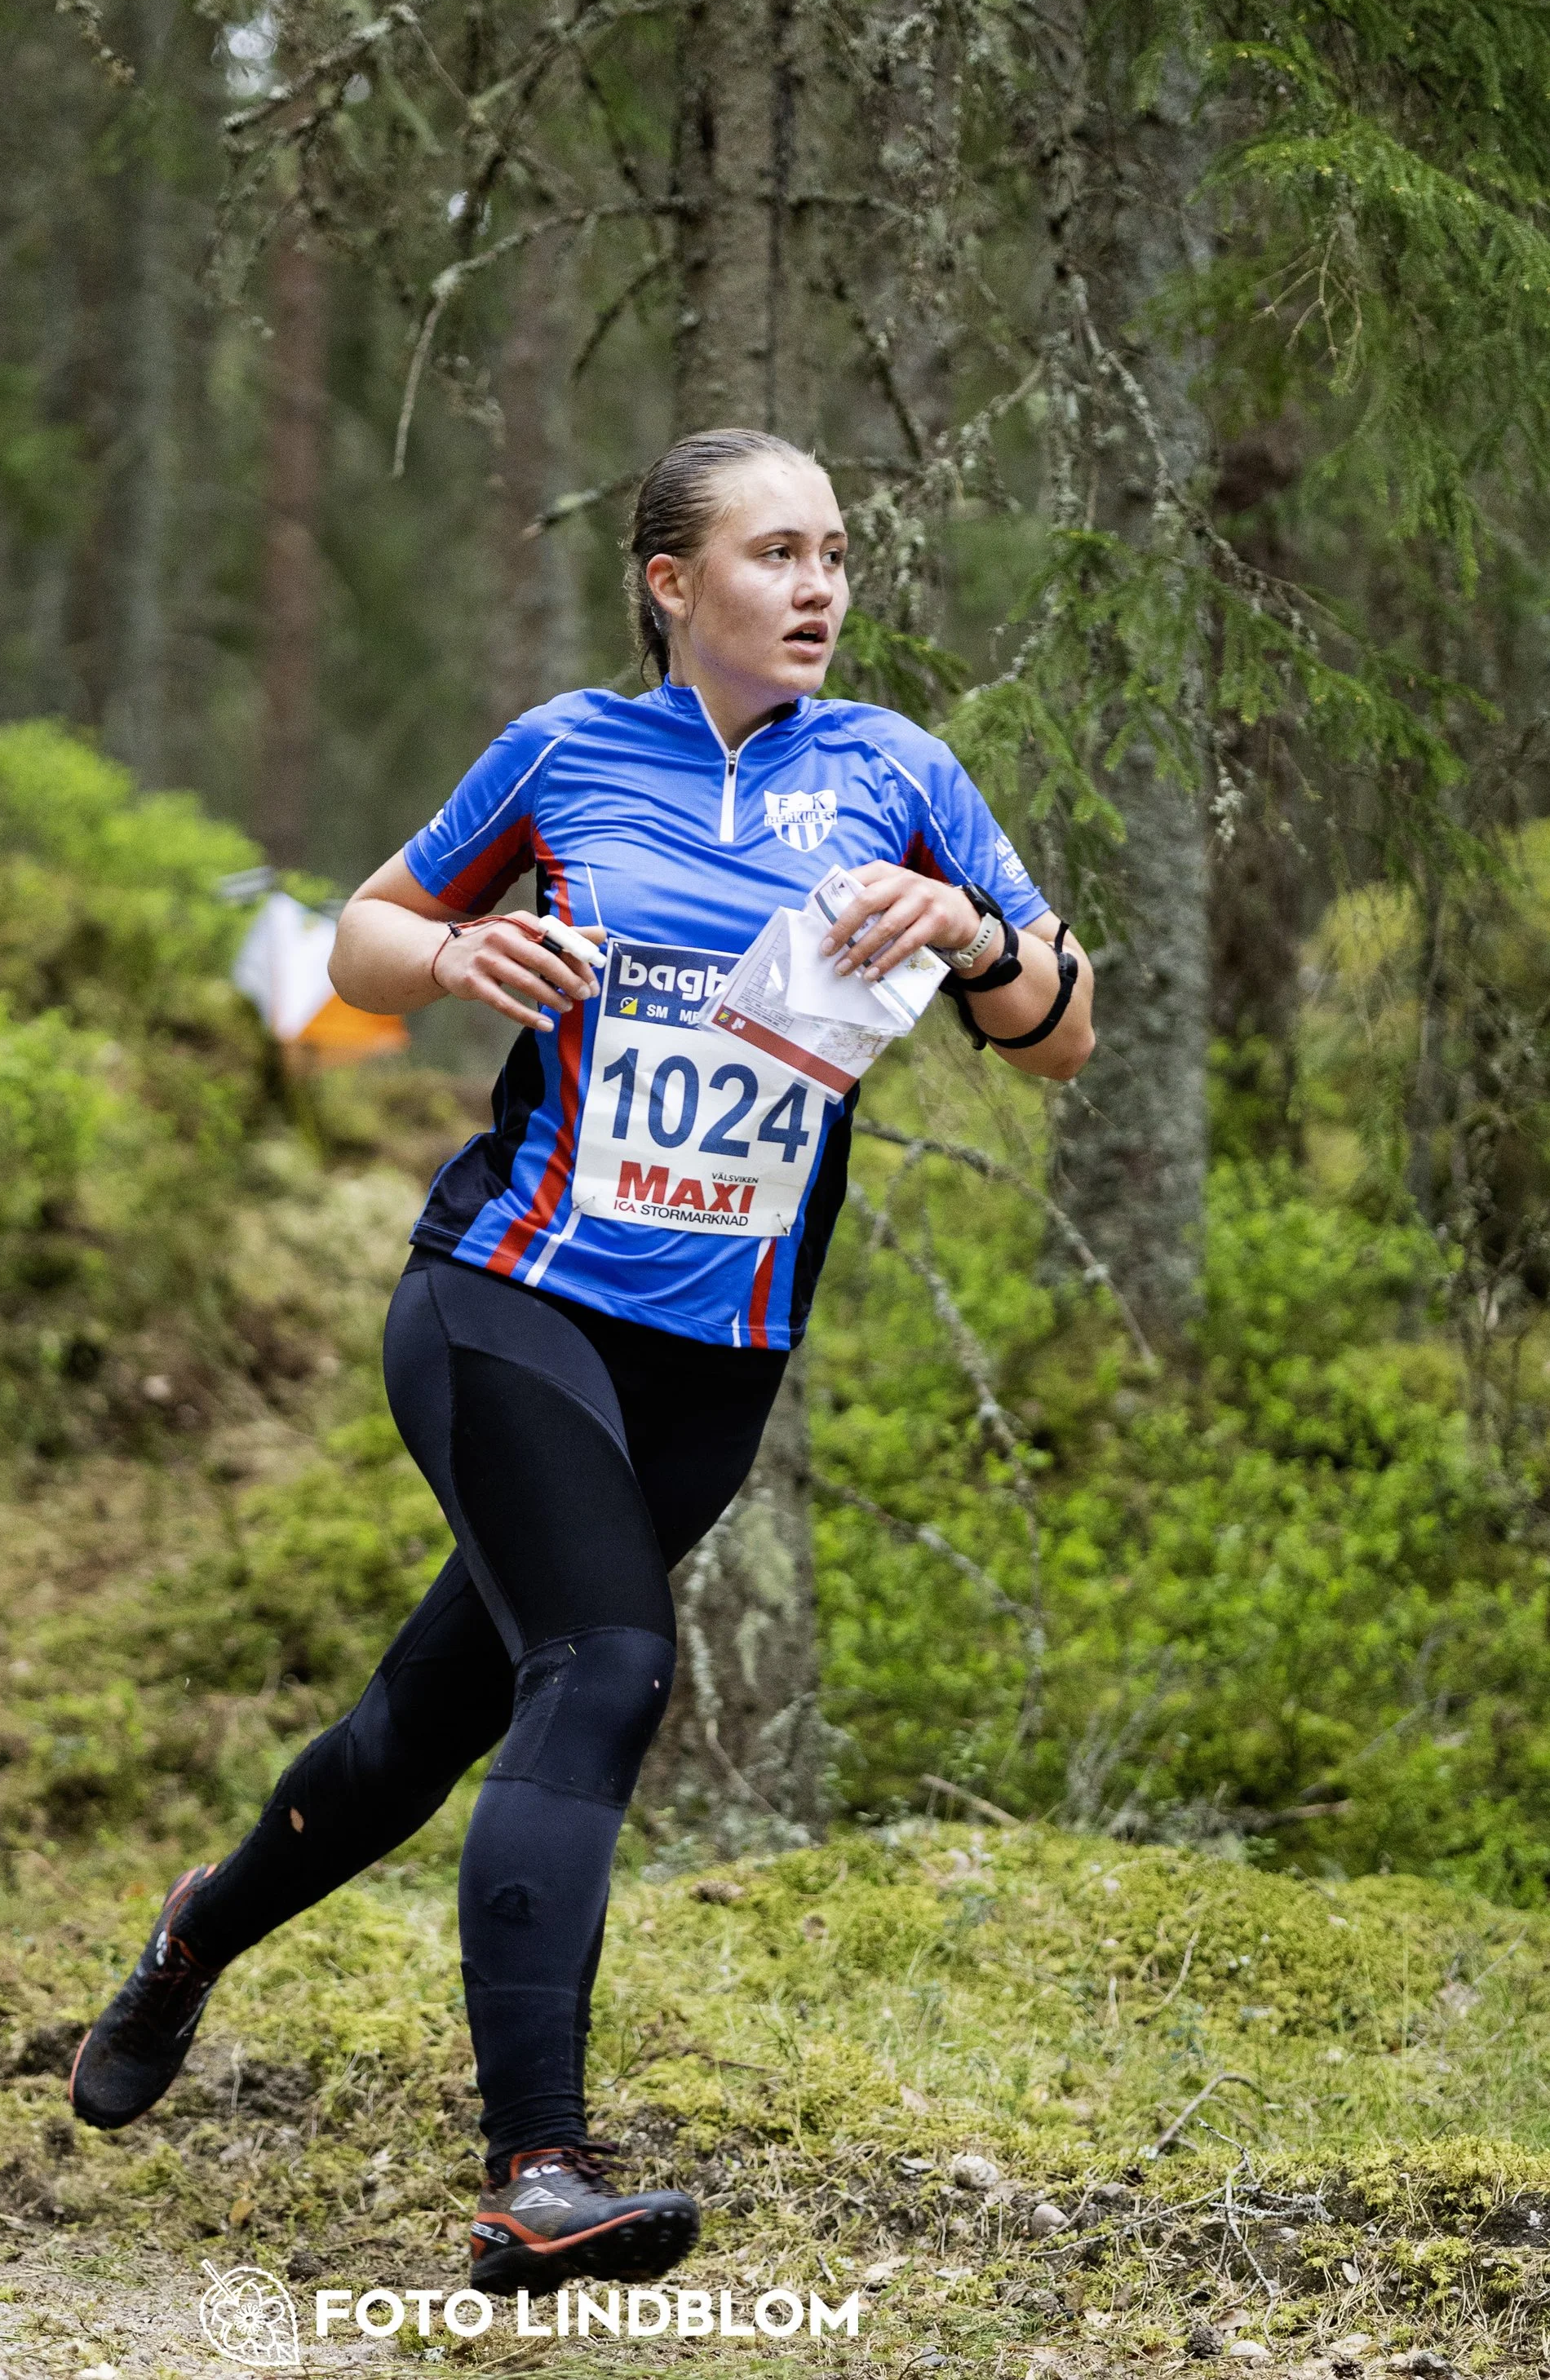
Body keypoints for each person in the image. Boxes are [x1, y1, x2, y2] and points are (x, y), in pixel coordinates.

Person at [69, 427, 1095, 2293]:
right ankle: (534, 2164)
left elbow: (1058, 1030)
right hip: (509, 1289)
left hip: (716, 1355)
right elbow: (365, 940)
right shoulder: (562, 751)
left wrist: (967, 930)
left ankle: (195, 1935)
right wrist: (456, 965)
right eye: (774, 553)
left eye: (834, 556)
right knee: (607, 1663)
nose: (816, 587)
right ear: (667, 582)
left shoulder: (899, 772)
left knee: (436, 1715)